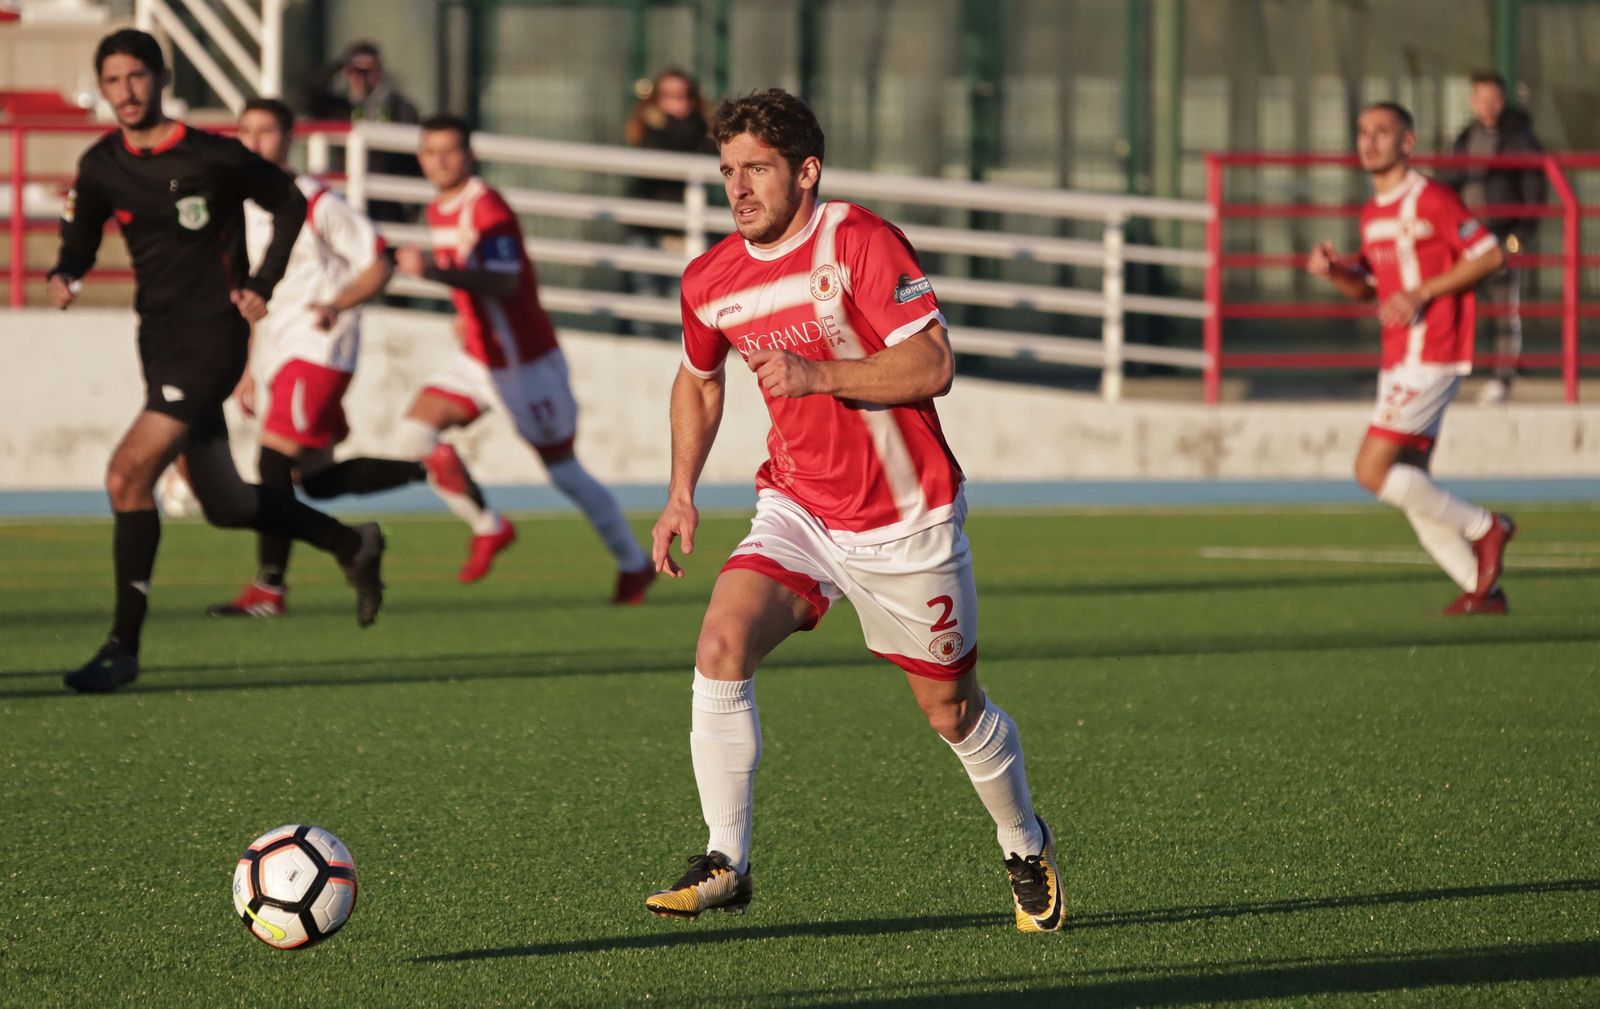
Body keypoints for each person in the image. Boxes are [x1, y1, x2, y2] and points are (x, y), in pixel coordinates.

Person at [644, 89, 1062, 933]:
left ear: (806, 171)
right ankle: (728, 856)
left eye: (757, 168)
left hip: (907, 520)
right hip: (797, 504)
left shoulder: (860, 242)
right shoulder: (712, 279)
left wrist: (819, 375)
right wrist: (681, 488)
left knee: (952, 711)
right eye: (728, 170)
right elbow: (699, 377)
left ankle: (1023, 840)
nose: (739, 187)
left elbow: (933, 362)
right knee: (721, 641)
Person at [47, 29, 385, 693]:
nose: (126, 92)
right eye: (113, 81)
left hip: (213, 337)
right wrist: (67, 271)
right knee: (226, 503)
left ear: (160, 79)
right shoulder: (101, 165)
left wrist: (262, 281)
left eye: (137, 77)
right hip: (159, 339)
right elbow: (80, 233)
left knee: (126, 474)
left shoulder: (211, 156)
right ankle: (351, 543)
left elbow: (288, 202)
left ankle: (124, 643)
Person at [391, 115, 656, 603]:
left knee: (563, 472)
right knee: (413, 435)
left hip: (526, 365)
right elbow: (474, 285)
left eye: (450, 150)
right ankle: (489, 526)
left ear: (470, 155)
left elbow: (505, 280)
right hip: (478, 359)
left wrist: (432, 272)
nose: (439, 160)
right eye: (431, 151)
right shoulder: (436, 210)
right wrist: (462, 314)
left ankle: (634, 563)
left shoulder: (486, 209)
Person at [1307, 102, 1516, 615]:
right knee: (1408, 480)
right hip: (1398, 358)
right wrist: (1335, 271)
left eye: (1383, 132)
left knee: (1370, 471)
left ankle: (1486, 527)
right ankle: (1479, 587)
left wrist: (1422, 293)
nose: (1370, 141)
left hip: (1435, 351)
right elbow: (1372, 291)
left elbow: (1490, 252)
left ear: (1407, 142)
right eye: (1362, 132)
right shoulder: (1372, 211)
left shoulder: (1432, 198)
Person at [206, 98, 402, 617]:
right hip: (279, 352)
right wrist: (248, 369)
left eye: (265, 131)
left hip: (318, 349)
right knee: (311, 478)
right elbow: (255, 296)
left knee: (271, 461)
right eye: (244, 132)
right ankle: (428, 469)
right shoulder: (245, 209)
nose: (253, 142)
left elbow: (381, 263)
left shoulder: (317, 201)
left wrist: (337, 304)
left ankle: (271, 589)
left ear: (289, 136)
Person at [1443, 71, 1546, 404]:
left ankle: (1503, 377)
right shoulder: (1463, 139)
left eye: (1494, 99)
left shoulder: (1521, 140)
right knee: (1455, 303)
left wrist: (1518, 239)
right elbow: (1450, 185)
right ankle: (1451, 371)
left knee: (1505, 308)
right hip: (1467, 240)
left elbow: (1534, 193)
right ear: (1472, 101)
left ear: (1503, 101)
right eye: (1481, 99)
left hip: (1503, 238)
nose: (1488, 106)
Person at [623, 68, 716, 335]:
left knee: (682, 301)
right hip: (647, 226)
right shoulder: (646, 127)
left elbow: (699, 157)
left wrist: (670, 125)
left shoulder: (703, 129)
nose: (679, 102)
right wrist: (659, 124)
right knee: (645, 296)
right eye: (669, 96)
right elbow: (651, 161)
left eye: (685, 95)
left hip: (684, 228)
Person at [304, 41, 421, 225]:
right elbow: (307, 97)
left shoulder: (400, 108)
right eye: (355, 71)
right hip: (344, 194)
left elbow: (415, 159)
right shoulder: (338, 107)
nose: (361, 78)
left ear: (380, 72)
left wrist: (413, 207)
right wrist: (339, 65)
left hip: (387, 198)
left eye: (369, 71)